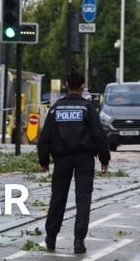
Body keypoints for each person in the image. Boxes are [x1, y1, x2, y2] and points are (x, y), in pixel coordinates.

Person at [37, 71, 110, 254]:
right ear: (83, 86)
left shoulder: (55, 108)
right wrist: (104, 158)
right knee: (83, 199)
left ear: (66, 85)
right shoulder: (87, 108)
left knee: (58, 198)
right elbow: (98, 135)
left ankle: (51, 237)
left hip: (61, 159)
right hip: (84, 159)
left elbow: (45, 137)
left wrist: (44, 160)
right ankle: (79, 240)